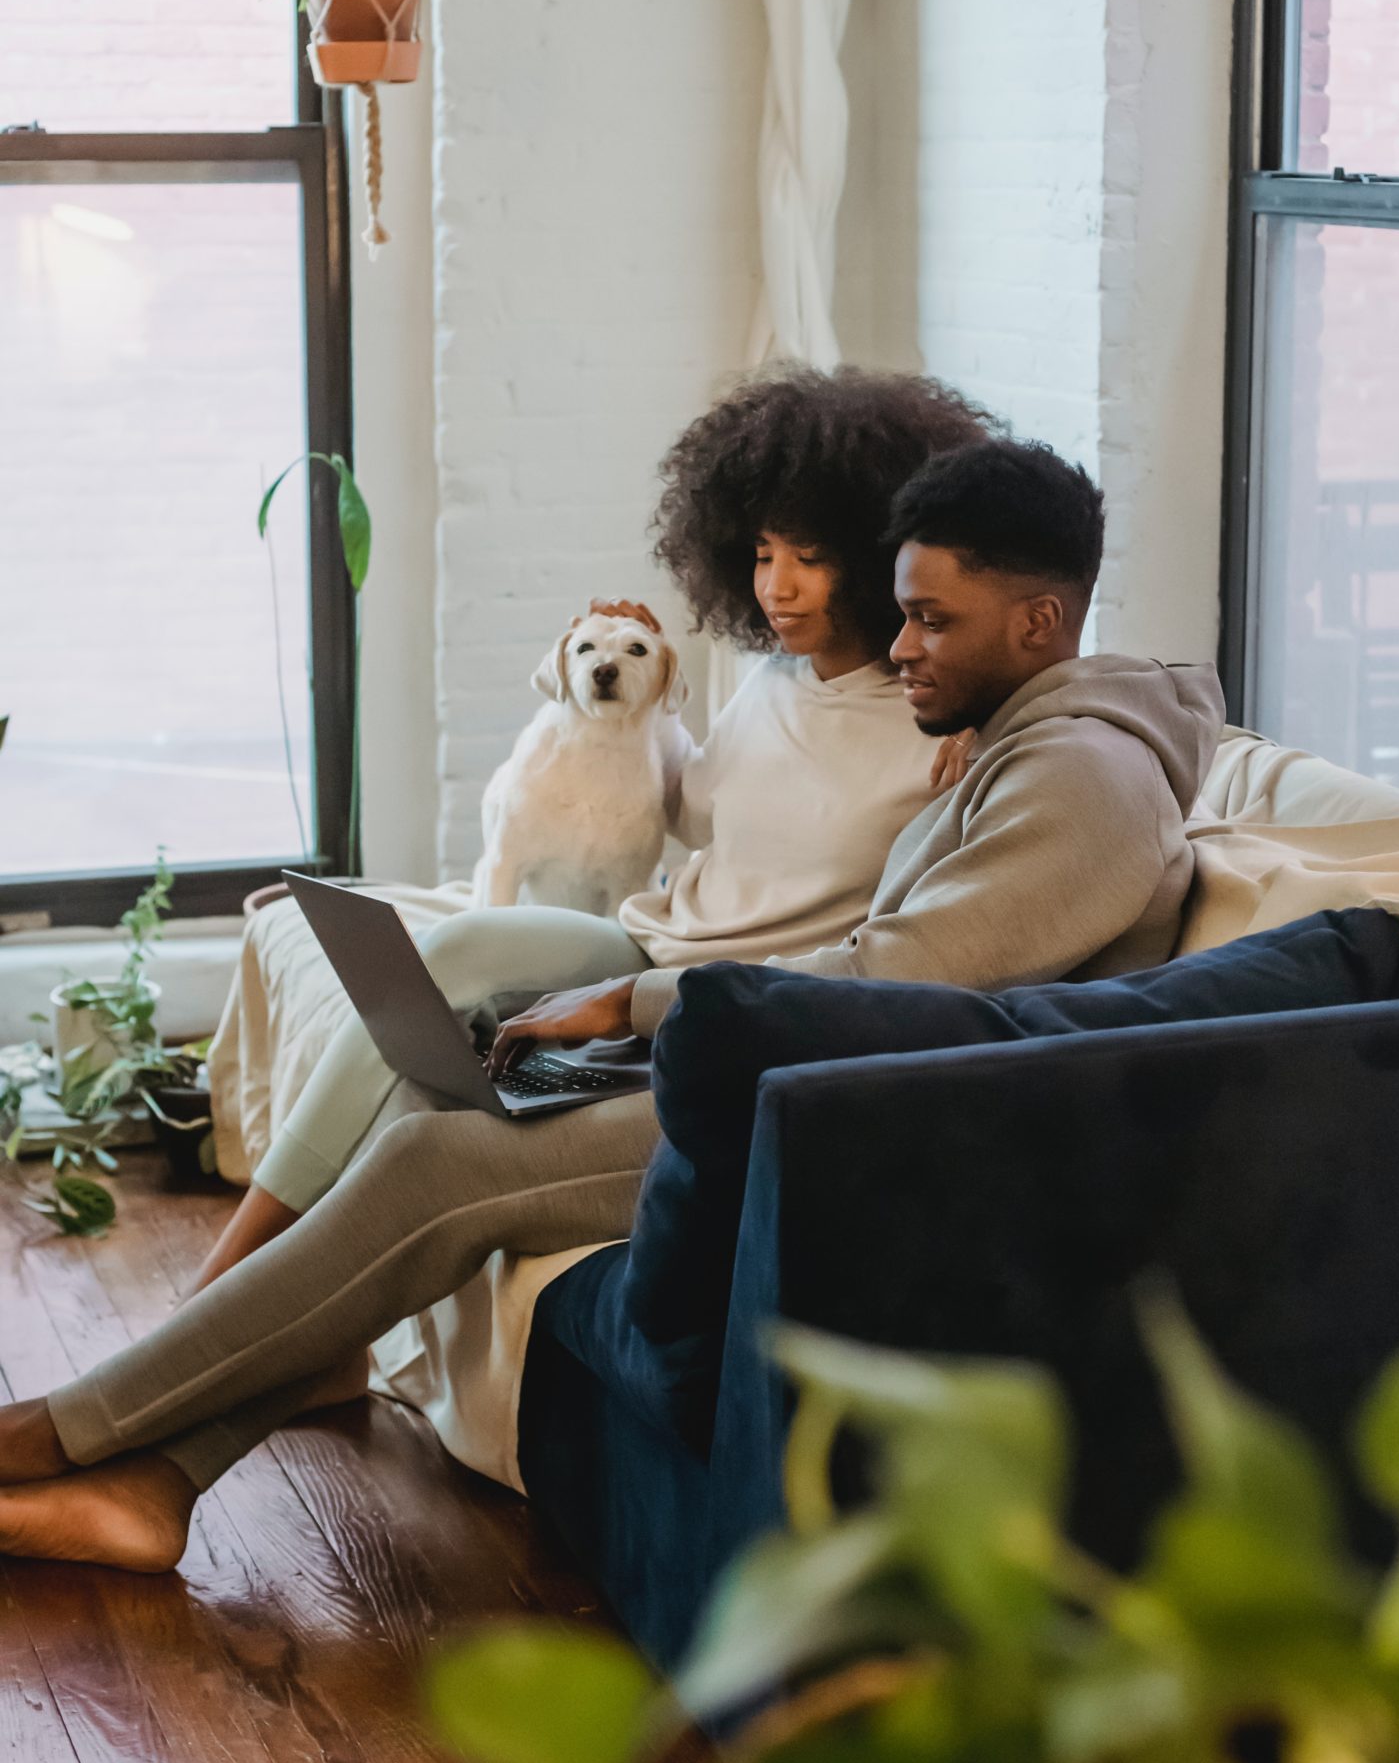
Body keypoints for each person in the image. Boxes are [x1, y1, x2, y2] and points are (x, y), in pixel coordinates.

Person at [0, 439, 1223, 1569]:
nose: (900, 646)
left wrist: (638, 1003)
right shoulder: (1030, 741)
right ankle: (151, 1478)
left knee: (445, 1161)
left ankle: (63, 1434)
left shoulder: (1087, 783)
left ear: (1042, 619)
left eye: (929, 620)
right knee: (445, 1123)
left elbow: (895, 978)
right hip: (831, 1073)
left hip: (874, 1121)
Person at [191, 365, 996, 1295]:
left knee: (436, 1074)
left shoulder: (941, 731)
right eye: (763, 551)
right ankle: (241, 1263)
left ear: (877, 553)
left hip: (725, 990)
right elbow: (690, 810)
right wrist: (640, 682)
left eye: (808, 556)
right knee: (455, 949)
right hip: (648, 937)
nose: (775, 585)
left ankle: (233, 1288)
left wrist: (986, 721)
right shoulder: (773, 681)